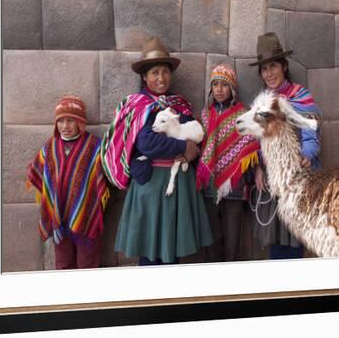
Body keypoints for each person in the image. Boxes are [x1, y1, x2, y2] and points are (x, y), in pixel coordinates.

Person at [100, 36, 213, 265]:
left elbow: (194, 132)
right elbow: (146, 143)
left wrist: (195, 149)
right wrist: (183, 146)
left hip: (177, 185)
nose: (161, 78)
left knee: (172, 249)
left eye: (164, 72)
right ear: (144, 76)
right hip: (151, 186)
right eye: (154, 73)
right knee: (151, 251)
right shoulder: (138, 106)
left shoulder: (179, 105)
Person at [249, 32, 321, 259]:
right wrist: (259, 167)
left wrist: (306, 155)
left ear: (284, 67)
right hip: (274, 181)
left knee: (294, 241)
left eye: (273, 67)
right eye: (264, 69)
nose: (269, 73)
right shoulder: (263, 102)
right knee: (277, 241)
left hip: (298, 178)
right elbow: (259, 140)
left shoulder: (300, 96)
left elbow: (311, 133)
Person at [26, 95, 110, 269]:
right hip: (59, 219)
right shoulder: (50, 147)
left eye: (70, 120)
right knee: (63, 265)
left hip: (86, 216)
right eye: (60, 121)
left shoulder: (95, 146)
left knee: (87, 265)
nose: (65, 126)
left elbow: (105, 178)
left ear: (80, 122)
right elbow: (37, 172)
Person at [195, 64, 264, 262]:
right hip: (209, 186)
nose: (218, 89)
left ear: (232, 89)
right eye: (215, 85)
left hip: (235, 184)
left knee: (232, 236)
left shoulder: (244, 114)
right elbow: (202, 144)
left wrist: (258, 168)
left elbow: (253, 144)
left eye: (224, 85)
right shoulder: (205, 115)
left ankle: (231, 275)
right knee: (212, 237)